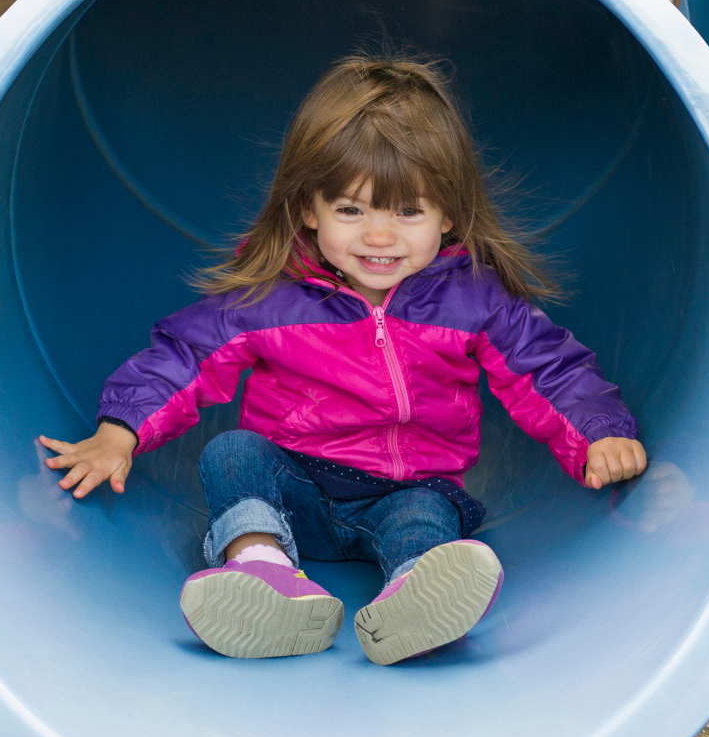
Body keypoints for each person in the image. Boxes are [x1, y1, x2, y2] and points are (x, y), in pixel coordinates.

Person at [39, 57, 646, 665]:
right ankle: (263, 571)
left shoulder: (474, 299)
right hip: (295, 490)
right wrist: (120, 431)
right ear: (309, 209)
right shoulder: (272, 296)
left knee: (427, 518)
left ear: (450, 214)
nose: (379, 237)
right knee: (233, 455)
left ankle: (416, 595)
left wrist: (599, 432)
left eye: (408, 212)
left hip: (410, 489)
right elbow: (187, 354)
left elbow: (546, 367)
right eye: (351, 210)